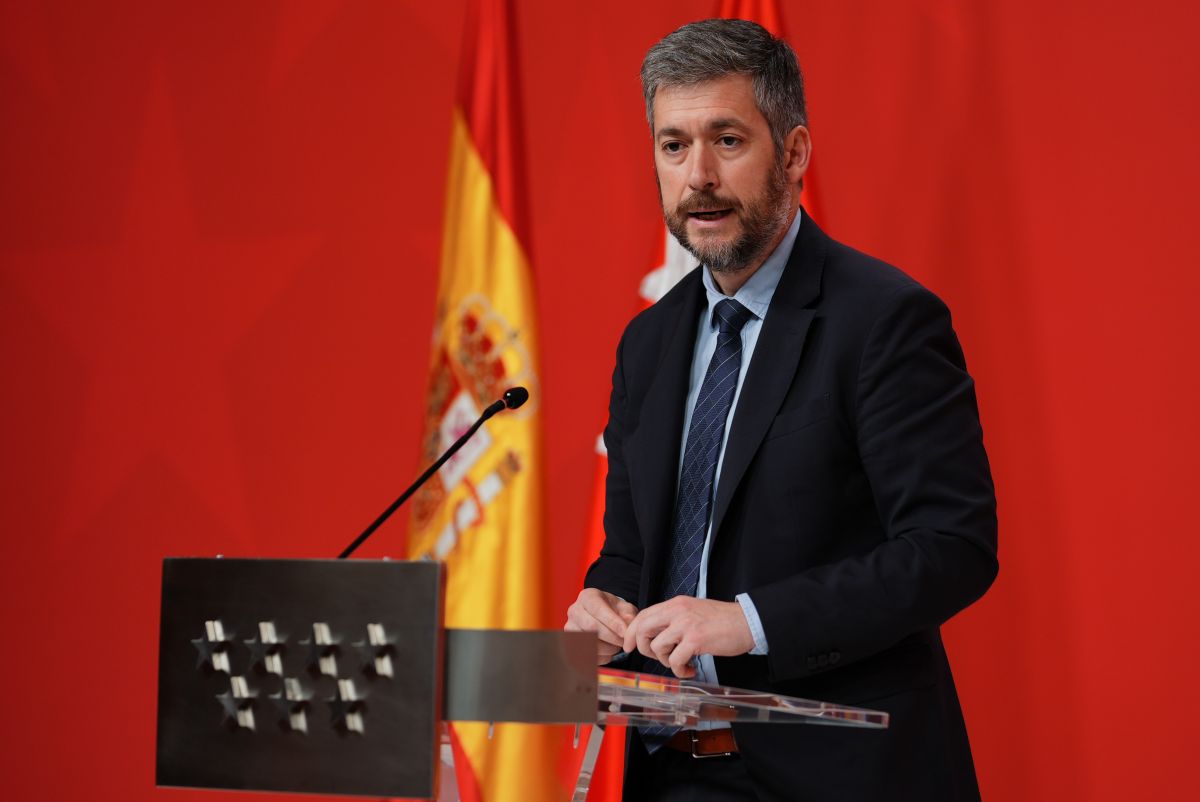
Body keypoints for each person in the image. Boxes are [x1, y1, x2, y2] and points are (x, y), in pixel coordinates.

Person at [565, 18, 998, 802]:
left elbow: (950, 547)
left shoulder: (884, 320)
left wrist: (751, 620)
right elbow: (634, 551)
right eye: (673, 145)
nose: (698, 175)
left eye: (727, 140)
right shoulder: (648, 343)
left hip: (837, 776)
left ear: (794, 153)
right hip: (670, 772)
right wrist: (606, 606)